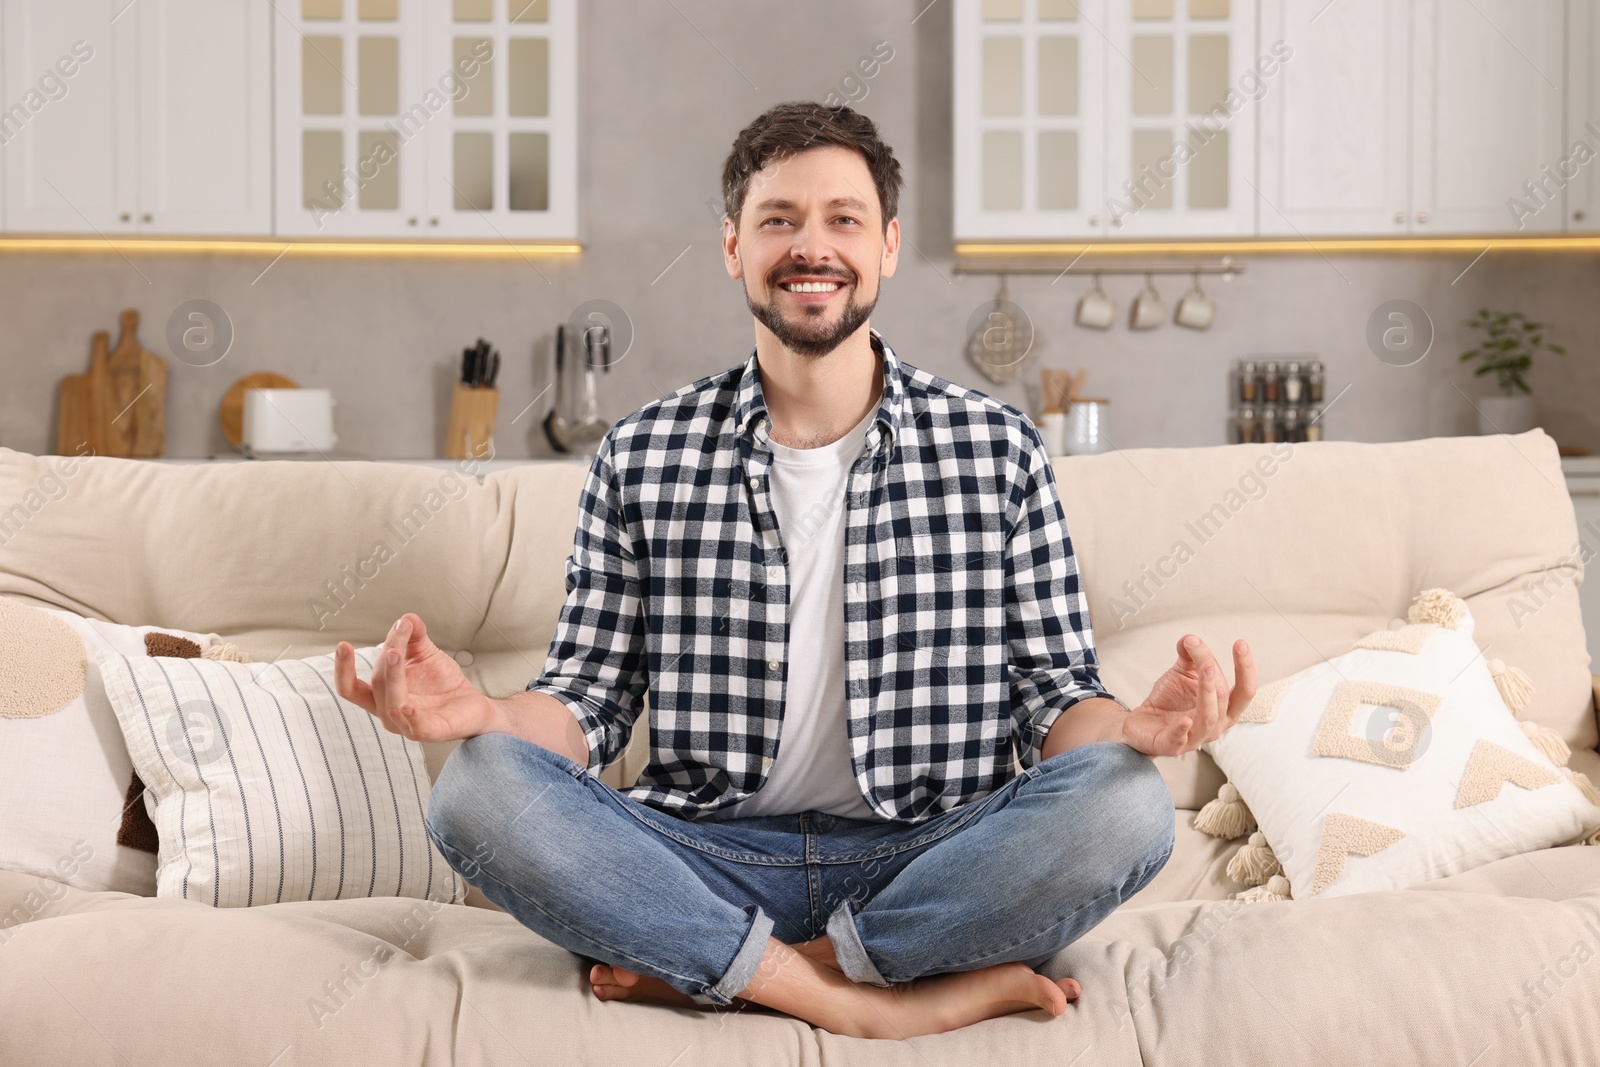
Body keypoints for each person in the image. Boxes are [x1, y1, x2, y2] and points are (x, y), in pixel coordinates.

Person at [334, 101, 1257, 1040]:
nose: (811, 246)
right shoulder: (643, 452)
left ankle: (745, 968)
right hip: (701, 853)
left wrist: (1130, 729)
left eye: (843, 219)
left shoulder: (999, 449)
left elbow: (1056, 699)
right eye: (779, 219)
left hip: (932, 859)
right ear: (733, 244)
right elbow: (585, 699)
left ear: (888, 245)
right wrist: (486, 717)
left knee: (1128, 803)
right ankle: (862, 996)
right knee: (480, 788)